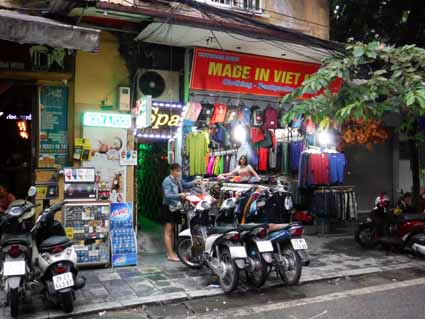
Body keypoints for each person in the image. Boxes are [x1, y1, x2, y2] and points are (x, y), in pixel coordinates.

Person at [161, 163, 199, 262]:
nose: (178, 173)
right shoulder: (167, 181)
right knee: (168, 231)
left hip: (176, 207)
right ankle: (170, 254)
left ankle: (171, 251)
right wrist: (180, 195)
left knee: (172, 231)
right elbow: (168, 195)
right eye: (176, 171)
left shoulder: (177, 179)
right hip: (168, 208)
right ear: (172, 171)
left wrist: (195, 182)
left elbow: (185, 184)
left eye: (179, 171)